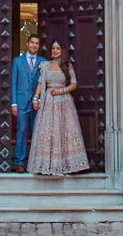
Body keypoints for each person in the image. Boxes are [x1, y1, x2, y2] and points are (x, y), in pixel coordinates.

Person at [27, 40, 90, 178]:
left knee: (64, 131)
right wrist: (36, 99)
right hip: (48, 103)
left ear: (62, 51)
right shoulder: (45, 65)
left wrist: (61, 91)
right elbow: (40, 83)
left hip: (64, 103)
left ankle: (66, 165)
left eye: (58, 48)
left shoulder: (67, 65)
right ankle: (47, 165)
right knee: (48, 131)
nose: (55, 51)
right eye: (53, 48)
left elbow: (74, 84)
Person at [10, 32, 43, 171]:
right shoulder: (18, 60)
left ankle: (36, 162)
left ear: (38, 46)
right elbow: (14, 83)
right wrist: (14, 103)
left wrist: (40, 100)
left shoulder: (43, 61)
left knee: (38, 132)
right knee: (22, 131)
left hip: (37, 103)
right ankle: (20, 162)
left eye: (36, 43)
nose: (34, 45)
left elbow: (44, 83)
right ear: (27, 44)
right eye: (32, 42)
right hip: (22, 102)